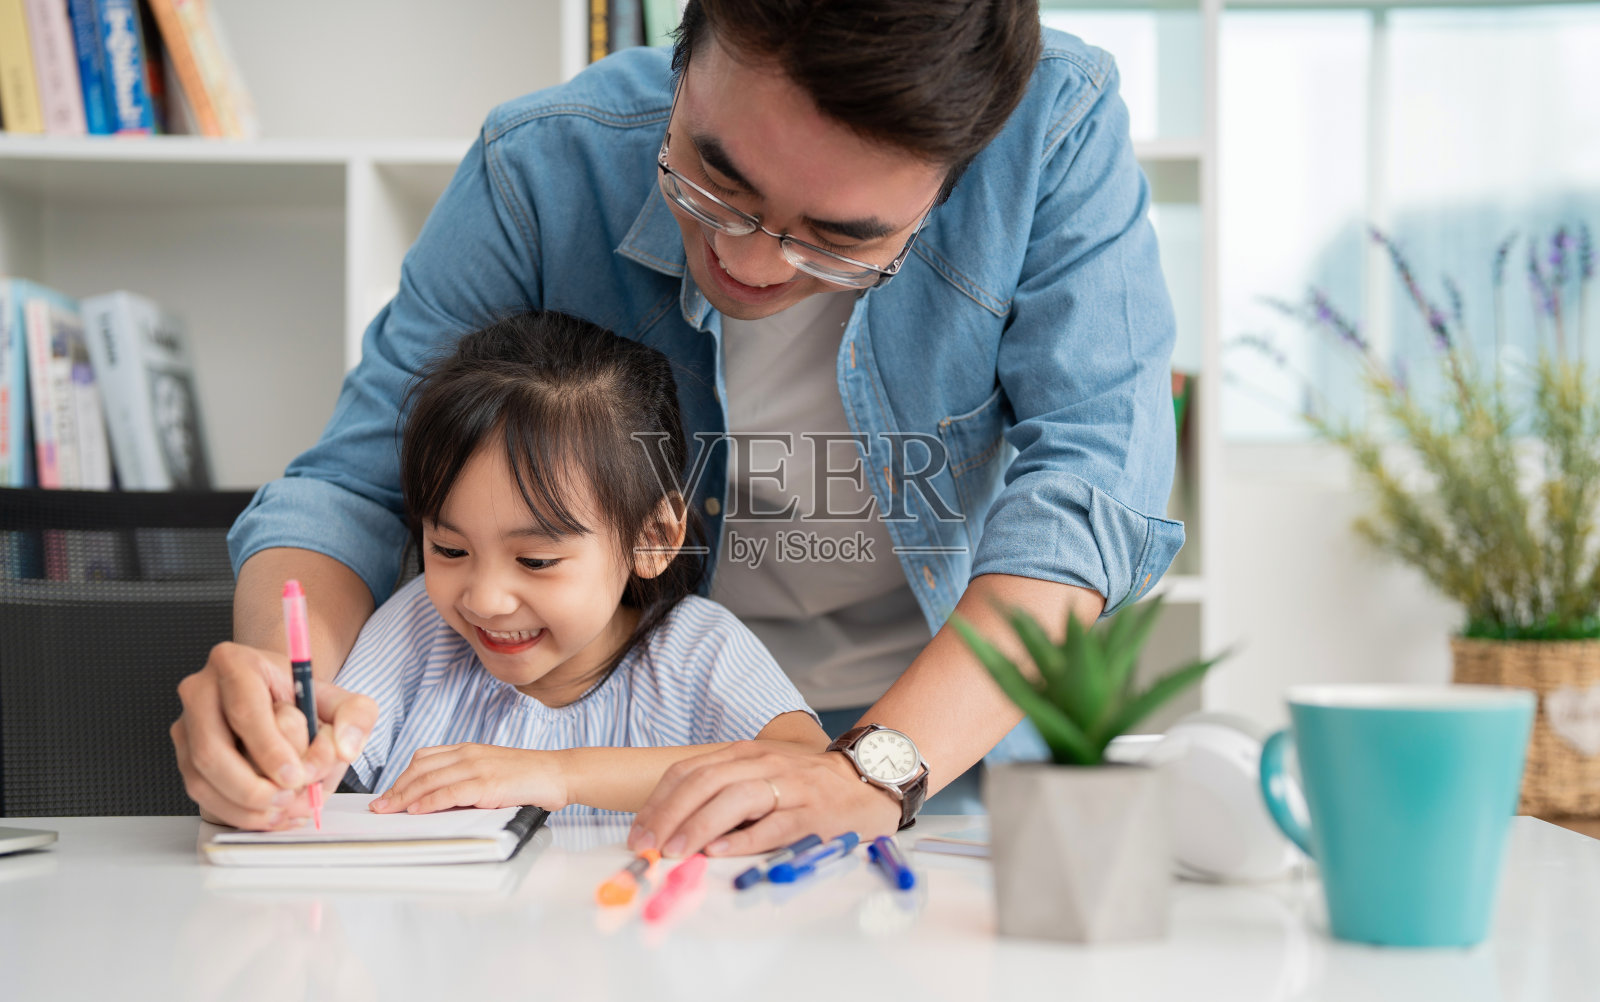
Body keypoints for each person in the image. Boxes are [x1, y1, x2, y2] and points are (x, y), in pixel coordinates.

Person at [172, 0, 1182, 854]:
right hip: (608, 765)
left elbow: (1086, 498)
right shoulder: (541, 167)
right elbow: (351, 487)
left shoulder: (1052, 132)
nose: (752, 261)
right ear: (685, 55)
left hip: (937, 757)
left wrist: (872, 771)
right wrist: (274, 696)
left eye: (840, 240)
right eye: (714, 180)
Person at [332, 311, 825, 817]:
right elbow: (317, 753)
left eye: (536, 560)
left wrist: (560, 773)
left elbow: (807, 761)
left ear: (652, 538)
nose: (483, 599)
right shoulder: (419, 628)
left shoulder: (694, 651)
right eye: (449, 550)